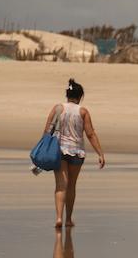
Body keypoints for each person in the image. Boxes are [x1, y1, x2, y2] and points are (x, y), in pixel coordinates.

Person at [43, 79, 105, 228]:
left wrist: (45, 149)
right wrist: (100, 153)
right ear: (80, 96)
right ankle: (69, 219)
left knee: (60, 185)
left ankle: (59, 218)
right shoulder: (83, 112)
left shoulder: (57, 108)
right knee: (71, 186)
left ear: (67, 94)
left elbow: (47, 131)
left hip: (59, 151)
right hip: (77, 153)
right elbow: (90, 134)